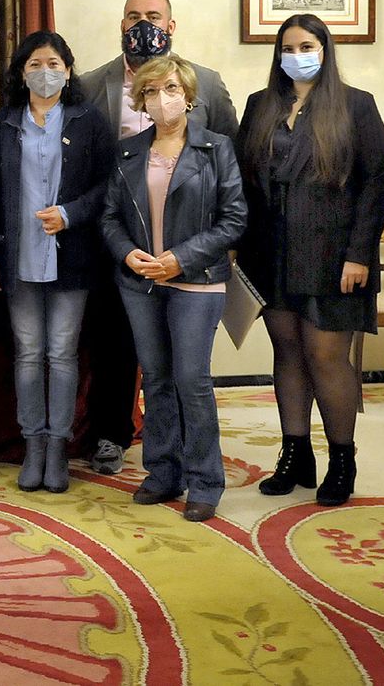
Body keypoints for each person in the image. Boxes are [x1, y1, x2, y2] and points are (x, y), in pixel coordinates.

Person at [77, 0, 237, 476]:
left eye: (152, 15)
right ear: (120, 24)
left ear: (171, 26)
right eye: (132, 16)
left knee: (187, 370)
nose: (141, 23)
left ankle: (196, 459)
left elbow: (229, 153)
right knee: (116, 345)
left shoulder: (203, 82)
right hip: (119, 243)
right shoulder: (89, 84)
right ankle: (112, 435)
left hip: (190, 247)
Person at [237, 14, 384, 506]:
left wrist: (359, 254)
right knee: (288, 351)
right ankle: (295, 453)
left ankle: (342, 458)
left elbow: (374, 183)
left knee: (326, 356)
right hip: (271, 253)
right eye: (287, 46)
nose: (296, 53)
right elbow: (242, 182)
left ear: (325, 48)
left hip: (332, 257)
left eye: (306, 44)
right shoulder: (260, 105)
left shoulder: (355, 105)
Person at [101, 55, 247, 522]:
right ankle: (163, 472)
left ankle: (206, 481)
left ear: (188, 95)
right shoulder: (128, 151)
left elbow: (234, 219)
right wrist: (129, 254)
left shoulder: (216, 148)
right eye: (150, 91)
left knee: (192, 380)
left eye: (169, 89)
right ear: (141, 100)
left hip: (196, 281)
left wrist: (180, 258)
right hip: (141, 281)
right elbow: (109, 217)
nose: (161, 100)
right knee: (158, 380)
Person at [0, 31, 114, 492]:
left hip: (71, 257)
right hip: (17, 258)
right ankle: (32, 444)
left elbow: (107, 187)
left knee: (61, 353)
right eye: (36, 63)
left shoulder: (89, 121)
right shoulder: (2, 124)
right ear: (22, 72)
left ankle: (58, 446)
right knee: (28, 353)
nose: (46, 71)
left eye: (55, 63)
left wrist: (70, 214)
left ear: (69, 70)